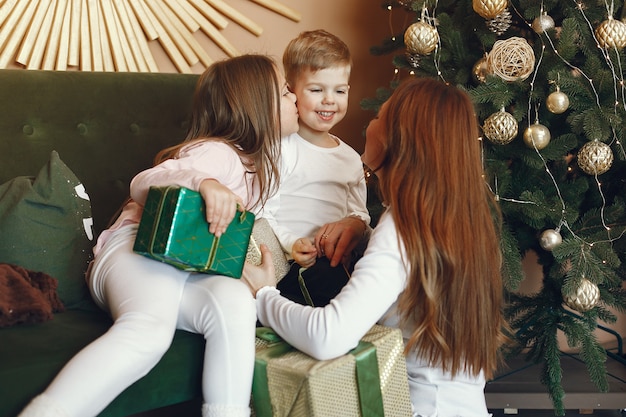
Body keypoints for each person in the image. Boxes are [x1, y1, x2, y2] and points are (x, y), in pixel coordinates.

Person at [18, 54, 299, 417]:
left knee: (235, 301)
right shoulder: (220, 154)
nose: (294, 97)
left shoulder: (256, 173)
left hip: (181, 270)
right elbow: (144, 182)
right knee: (150, 332)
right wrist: (204, 182)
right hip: (135, 251)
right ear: (256, 108)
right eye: (284, 92)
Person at [243, 77, 509, 416]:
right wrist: (362, 230)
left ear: (400, 140)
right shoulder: (464, 221)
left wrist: (264, 295)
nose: (370, 124)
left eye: (380, 117)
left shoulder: (403, 228)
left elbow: (329, 336)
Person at [261, 29, 370, 305]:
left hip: (338, 261)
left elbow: (359, 213)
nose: (329, 100)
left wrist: (354, 228)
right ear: (291, 91)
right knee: (326, 283)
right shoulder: (281, 148)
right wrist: (292, 244)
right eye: (316, 89)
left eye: (339, 90)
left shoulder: (350, 158)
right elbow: (264, 213)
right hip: (290, 262)